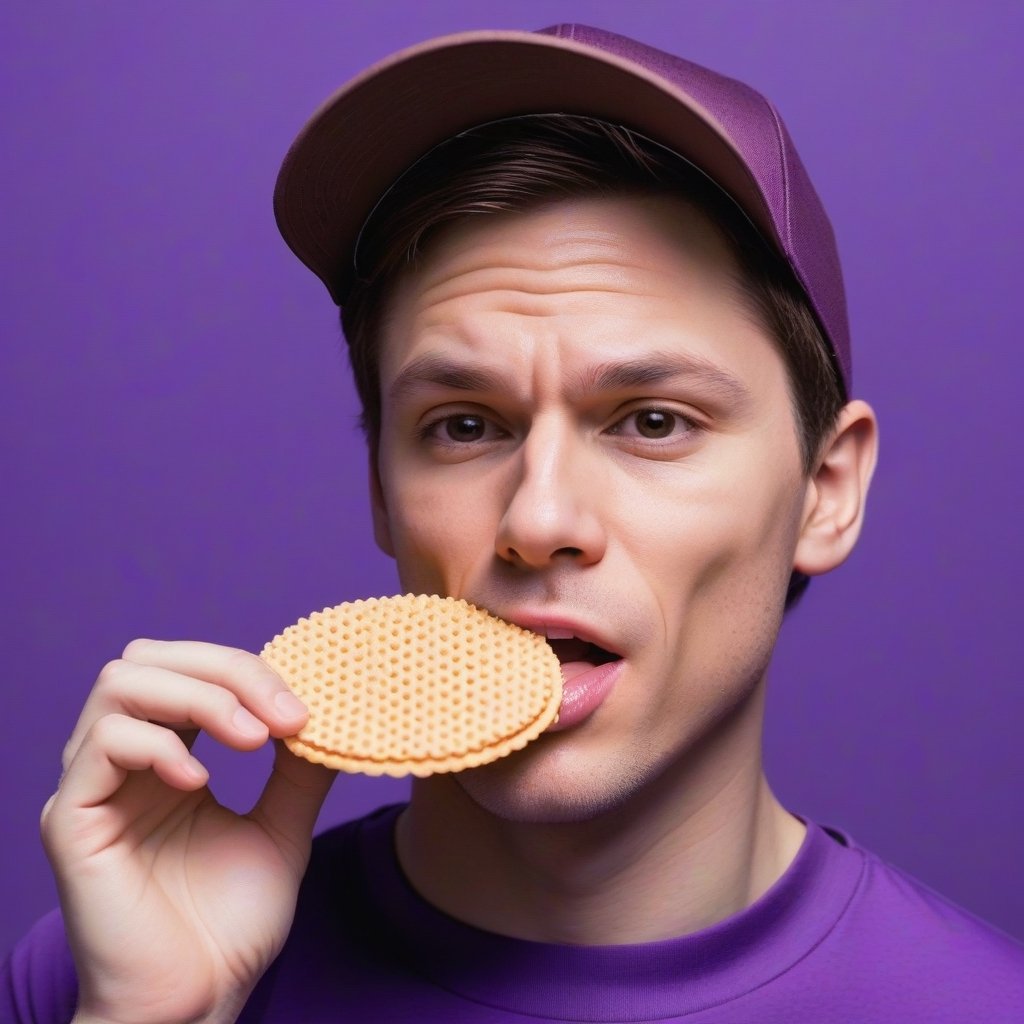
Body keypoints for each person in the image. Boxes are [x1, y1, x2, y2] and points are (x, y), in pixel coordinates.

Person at [4, 23, 1023, 1024]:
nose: (537, 519)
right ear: (378, 488)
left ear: (826, 489)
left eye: (653, 421)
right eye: (462, 426)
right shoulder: (107, 970)